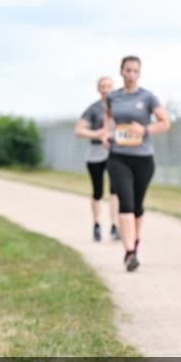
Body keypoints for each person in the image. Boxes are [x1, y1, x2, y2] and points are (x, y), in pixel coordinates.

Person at [105, 56, 171, 271]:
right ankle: (130, 252)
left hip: (143, 158)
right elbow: (109, 122)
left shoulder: (148, 97)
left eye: (135, 71)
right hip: (118, 155)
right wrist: (107, 135)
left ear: (139, 73)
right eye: (128, 70)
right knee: (126, 202)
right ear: (121, 72)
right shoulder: (113, 97)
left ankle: (135, 240)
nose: (131, 74)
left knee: (138, 206)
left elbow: (165, 122)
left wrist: (145, 130)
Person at [75, 76, 120, 242]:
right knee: (98, 191)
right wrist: (97, 133)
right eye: (103, 86)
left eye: (109, 86)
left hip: (115, 151)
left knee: (115, 190)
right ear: (98, 89)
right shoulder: (93, 109)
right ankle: (96, 224)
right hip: (96, 153)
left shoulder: (119, 107)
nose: (106, 89)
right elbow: (79, 130)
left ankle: (115, 225)